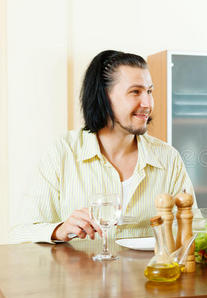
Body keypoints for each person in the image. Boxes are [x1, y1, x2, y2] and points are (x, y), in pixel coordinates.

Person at [11, 50, 194, 243]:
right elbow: (20, 233)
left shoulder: (168, 157)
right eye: (135, 92)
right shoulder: (63, 152)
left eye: (149, 91)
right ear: (104, 96)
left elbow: (192, 229)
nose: (147, 103)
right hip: (81, 273)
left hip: (149, 273)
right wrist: (59, 230)